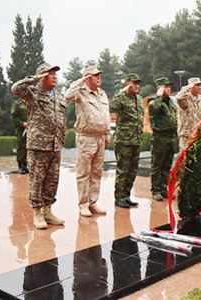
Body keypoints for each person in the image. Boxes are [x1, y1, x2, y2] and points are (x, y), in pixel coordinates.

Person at [11, 63, 66, 229]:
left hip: (55, 145)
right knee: (37, 180)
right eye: (50, 73)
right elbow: (15, 88)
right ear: (42, 76)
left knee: (52, 181)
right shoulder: (32, 93)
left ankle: (48, 211)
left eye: (55, 73)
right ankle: (37, 212)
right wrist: (35, 79)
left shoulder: (58, 96)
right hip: (38, 145)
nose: (54, 76)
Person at [65, 65, 110, 217]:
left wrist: (107, 133)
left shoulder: (102, 94)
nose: (99, 78)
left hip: (100, 137)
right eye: (95, 75)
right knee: (84, 173)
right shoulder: (80, 93)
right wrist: (80, 81)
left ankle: (93, 202)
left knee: (97, 172)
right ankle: (83, 204)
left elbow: (106, 114)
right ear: (87, 78)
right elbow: (67, 95)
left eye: (99, 75)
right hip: (86, 137)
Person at [110, 73, 144, 208]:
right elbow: (113, 107)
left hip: (136, 140)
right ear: (127, 84)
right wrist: (121, 92)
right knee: (122, 170)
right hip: (124, 141)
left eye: (138, 83)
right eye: (133, 83)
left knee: (132, 171)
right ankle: (119, 197)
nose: (137, 85)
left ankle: (126, 196)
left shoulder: (139, 99)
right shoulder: (121, 98)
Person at [148, 77, 178, 201]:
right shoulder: (154, 102)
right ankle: (155, 190)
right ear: (159, 88)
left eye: (169, 86)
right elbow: (153, 108)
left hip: (170, 137)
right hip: (159, 138)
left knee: (167, 165)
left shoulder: (170, 101)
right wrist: (159, 96)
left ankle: (163, 188)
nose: (169, 88)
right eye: (165, 86)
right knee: (157, 165)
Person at [176, 77, 201, 152]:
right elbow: (179, 98)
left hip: (198, 134)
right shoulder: (186, 98)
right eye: (197, 85)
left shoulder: (199, 99)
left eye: (200, 85)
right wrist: (186, 88)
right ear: (191, 87)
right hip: (187, 135)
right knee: (185, 158)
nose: (199, 87)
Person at [10, 98, 29, 174]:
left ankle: (26, 165)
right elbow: (13, 117)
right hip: (21, 129)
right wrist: (22, 124)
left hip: (31, 128)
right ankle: (21, 166)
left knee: (29, 147)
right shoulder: (17, 104)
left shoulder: (31, 102)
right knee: (21, 146)